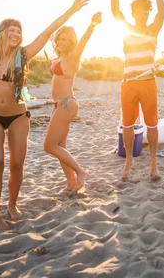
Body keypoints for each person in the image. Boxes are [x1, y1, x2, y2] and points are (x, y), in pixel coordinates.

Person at [0, 0, 91, 230]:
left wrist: (72, 10)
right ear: (2, 33)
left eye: (18, 31)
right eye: (11, 30)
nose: (15, 34)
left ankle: (12, 205)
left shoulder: (24, 55)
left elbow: (47, 31)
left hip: (18, 117)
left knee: (17, 166)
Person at [111, 0, 164, 182]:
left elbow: (162, 12)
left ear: (147, 13)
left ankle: (153, 161)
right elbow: (115, 11)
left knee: (152, 124)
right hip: (129, 83)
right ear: (133, 13)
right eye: (138, 12)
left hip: (148, 82)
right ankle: (129, 161)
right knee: (127, 124)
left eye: (145, 12)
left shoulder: (152, 30)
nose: (141, 15)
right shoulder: (127, 30)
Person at [43, 11, 103, 194]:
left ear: (71, 42)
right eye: (59, 40)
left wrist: (92, 24)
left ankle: (80, 172)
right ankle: (70, 181)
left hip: (67, 104)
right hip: (58, 105)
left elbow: (83, 40)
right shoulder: (59, 57)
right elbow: (51, 33)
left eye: (64, 40)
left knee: (49, 145)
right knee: (61, 146)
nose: (60, 42)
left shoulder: (73, 57)